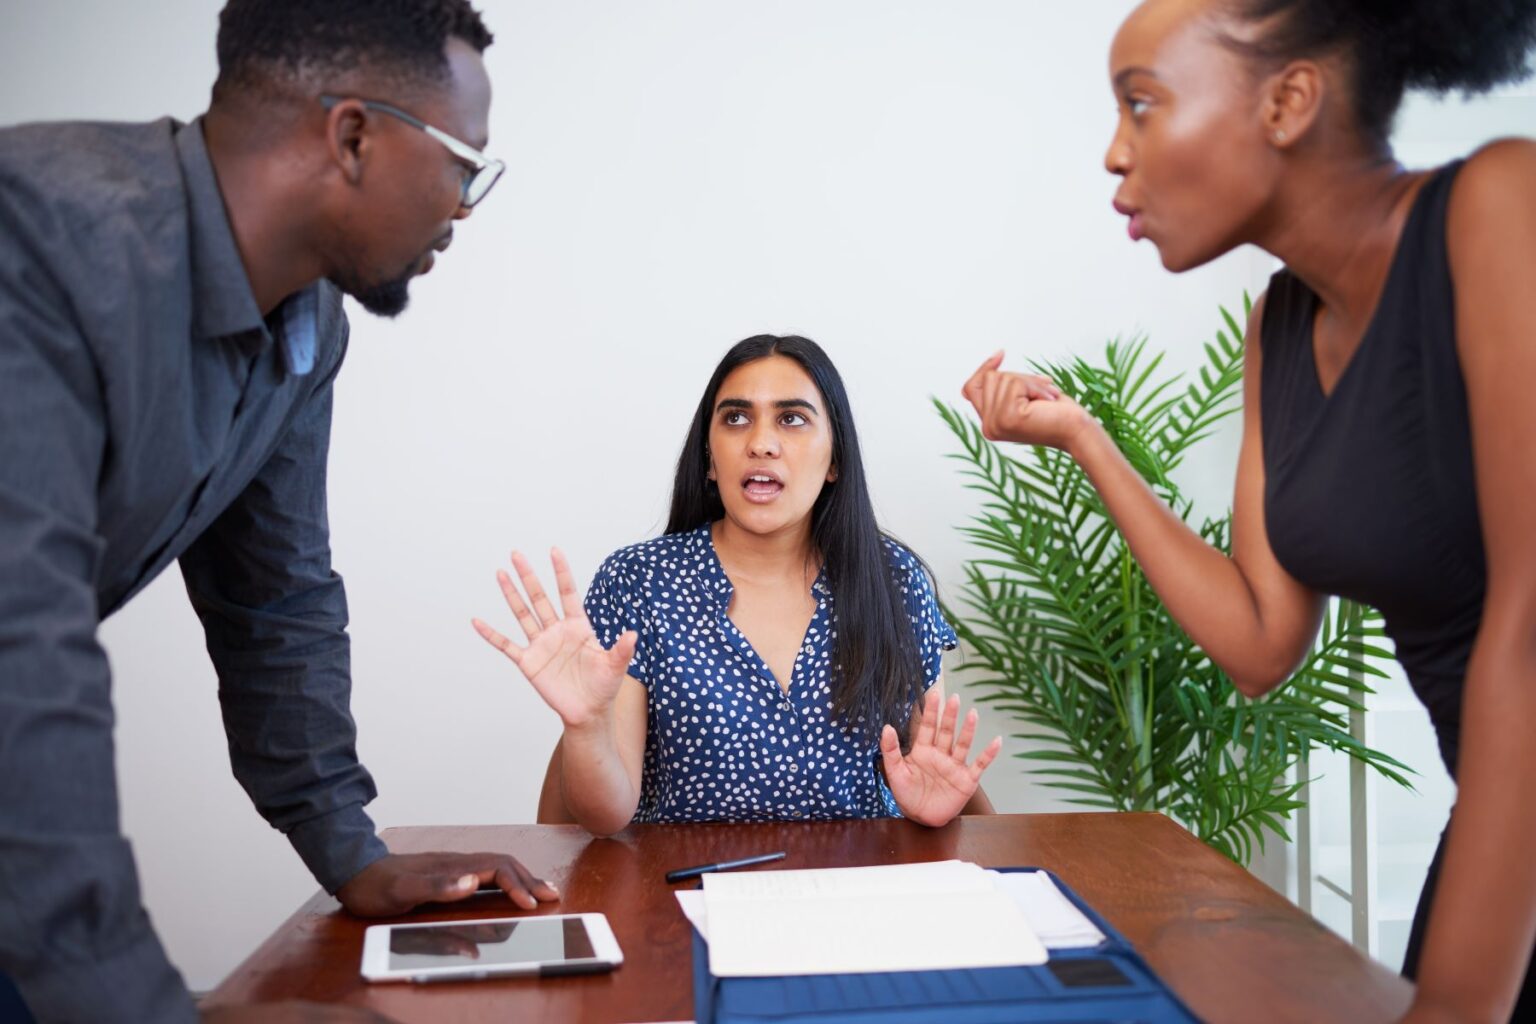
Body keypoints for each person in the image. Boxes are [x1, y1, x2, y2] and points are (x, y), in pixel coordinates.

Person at [963, 0, 1536, 1020]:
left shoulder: (1500, 205)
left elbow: (1529, 636)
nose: (1112, 153)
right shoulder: (1283, 322)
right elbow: (1263, 642)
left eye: (1142, 104)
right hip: (1500, 823)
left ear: (1289, 101)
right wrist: (1087, 438)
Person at [0, 3, 562, 1022]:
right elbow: (17, 656)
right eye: (461, 164)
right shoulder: (40, 241)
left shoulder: (305, 322)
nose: (465, 206)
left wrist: (351, 852)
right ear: (353, 135)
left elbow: (277, 597)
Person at [474, 335, 1001, 834]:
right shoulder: (639, 582)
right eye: (736, 419)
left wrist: (929, 810)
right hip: (683, 902)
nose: (762, 443)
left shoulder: (893, 579)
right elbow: (608, 813)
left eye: (792, 419)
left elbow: (923, 767)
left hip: (856, 896)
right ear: (710, 456)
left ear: (835, 459)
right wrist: (586, 727)